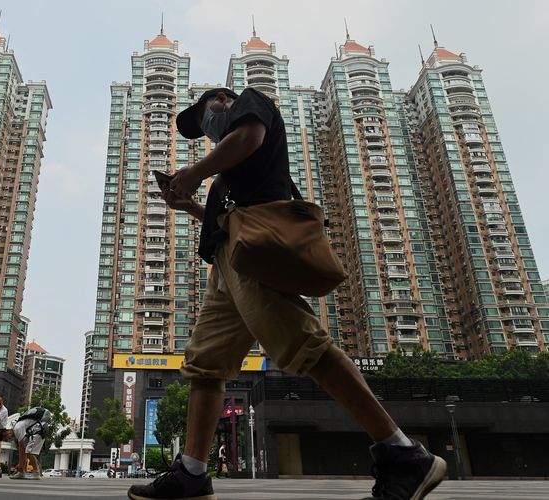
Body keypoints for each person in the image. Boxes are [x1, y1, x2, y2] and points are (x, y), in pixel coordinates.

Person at [127, 87, 447, 500]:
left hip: (256, 257)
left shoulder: (250, 105)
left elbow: (248, 138)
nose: (206, 130)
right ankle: (191, 473)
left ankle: (404, 454)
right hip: (226, 266)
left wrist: (193, 173)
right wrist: (189, 204)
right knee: (204, 365)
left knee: (304, 345)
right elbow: (225, 220)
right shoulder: (225, 174)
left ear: (222, 100)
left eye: (204, 117)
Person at [0, 415, 45, 480]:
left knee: (29, 451)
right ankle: (21, 472)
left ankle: (36, 473)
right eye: (7, 440)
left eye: (6, 437)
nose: (9, 439)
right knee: (27, 450)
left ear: (8, 431)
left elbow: (22, 448)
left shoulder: (17, 429)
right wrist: (21, 464)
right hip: (38, 429)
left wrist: (21, 464)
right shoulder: (17, 429)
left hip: (39, 429)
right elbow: (22, 449)